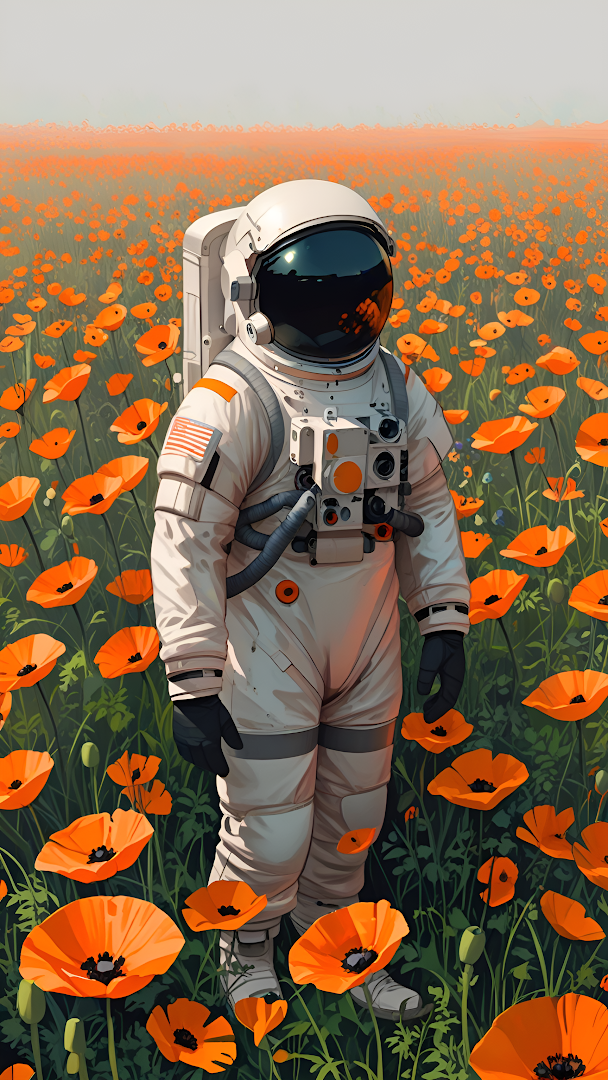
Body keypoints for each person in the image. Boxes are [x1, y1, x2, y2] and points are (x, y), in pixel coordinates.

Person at [151, 179, 470, 1023]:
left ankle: (338, 941)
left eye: (358, 292)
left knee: (356, 812)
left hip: (366, 636)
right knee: (271, 824)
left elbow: (430, 503)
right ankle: (247, 950)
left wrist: (444, 617)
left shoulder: (395, 387)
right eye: (313, 291)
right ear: (253, 295)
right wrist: (191, 675)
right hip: (267, 640)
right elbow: (184, 534)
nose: (339, 318)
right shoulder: (237, 397)